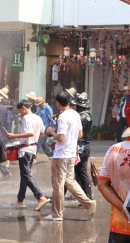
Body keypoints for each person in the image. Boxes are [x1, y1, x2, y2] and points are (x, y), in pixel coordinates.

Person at [43, 90, 96, 222]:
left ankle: (57, 215)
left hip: (61, 155)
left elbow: (61, 138)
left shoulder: (63, 117)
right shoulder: (75, 114)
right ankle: (88, 203)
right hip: (72, 153)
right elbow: (80, 135)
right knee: (70, 181)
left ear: (58, 103)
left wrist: (51, 132)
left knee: (58, 185)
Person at [7, 100, 50, 211]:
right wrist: (34, 140)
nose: (20, 113)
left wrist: (14, 136)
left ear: (24, 108)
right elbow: (44, 133)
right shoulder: (38, 118)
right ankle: (20, 200)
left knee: (26, 175)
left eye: (20, 111)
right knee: (24, 175)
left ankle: (40, 197)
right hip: (32, 149)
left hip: (25, 150)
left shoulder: (26, 118)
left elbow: (30, 133)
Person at [71, 92, 94, 200]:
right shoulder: (87, 115)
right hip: (84, 147)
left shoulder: (81, 117)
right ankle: (85, 198)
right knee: (80, 173)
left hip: (80, 148)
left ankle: (86, 198)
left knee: (72, 173)